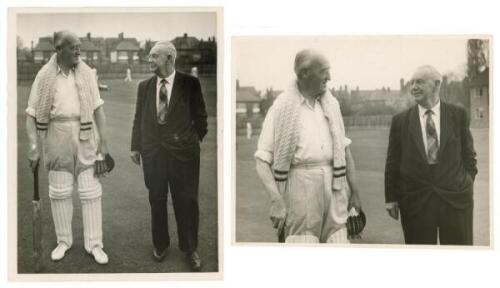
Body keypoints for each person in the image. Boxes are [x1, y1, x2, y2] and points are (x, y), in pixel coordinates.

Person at [255, 49, 362, 243]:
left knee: (339, 243)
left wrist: (355, 193)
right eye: (323, 71)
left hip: (335, 185)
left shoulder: (332, 104)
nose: (329, 77)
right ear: (304, 73)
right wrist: (276, 200)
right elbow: (262, 161)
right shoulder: (281, 107)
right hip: (300, 186)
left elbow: (345, 150)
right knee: (303, 246)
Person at [26, 30, 111, 264]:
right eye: (73, 46)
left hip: (85, 133)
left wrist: (103, 143)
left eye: (79, 46)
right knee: (60, 192)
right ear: (59, 49)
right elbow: (31, 116)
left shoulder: (86, 74)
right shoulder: (43, 76)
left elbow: (98, 110)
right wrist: (33, 147)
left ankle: (94, 244)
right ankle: (63, 241)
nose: (78, 50)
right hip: (57, 134)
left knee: (90, 191)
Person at [130, 41, 208, 271]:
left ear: (170, 59)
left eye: (154, 56)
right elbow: (138, 118)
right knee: (157, 200)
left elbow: (201, 119)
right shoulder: (144, 86)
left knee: (186, 201)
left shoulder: (190, 84)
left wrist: (190, 142)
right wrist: (136, 146)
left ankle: (190, 248)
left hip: (184, 155)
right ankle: (160, 244)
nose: (149, 60)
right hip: (154, 154)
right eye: (149, 56)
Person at [385, 65, 477, 245]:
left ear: (436, 85)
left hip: (455, 200)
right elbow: (392, 163)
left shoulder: (458, 115)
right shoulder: (400, 122)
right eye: (412, 83)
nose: (413, 87)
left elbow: (469, 157)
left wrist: (465, 183)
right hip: (416, 202)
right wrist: (391, 198)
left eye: (419, 82)